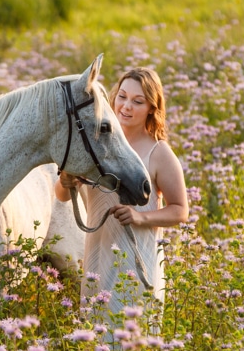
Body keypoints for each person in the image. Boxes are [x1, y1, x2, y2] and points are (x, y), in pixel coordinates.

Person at [55, 67, 188, 326]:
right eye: (122, 97)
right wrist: (65, 180)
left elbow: (180, 210)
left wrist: (140, 217)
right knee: (96, 346)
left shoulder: (158, 153)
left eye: (138, 101)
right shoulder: (94, 145)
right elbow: (61, 195)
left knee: (133, 348)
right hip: (96, 263)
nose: (126, 106)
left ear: (152, 107)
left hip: (136, 266)